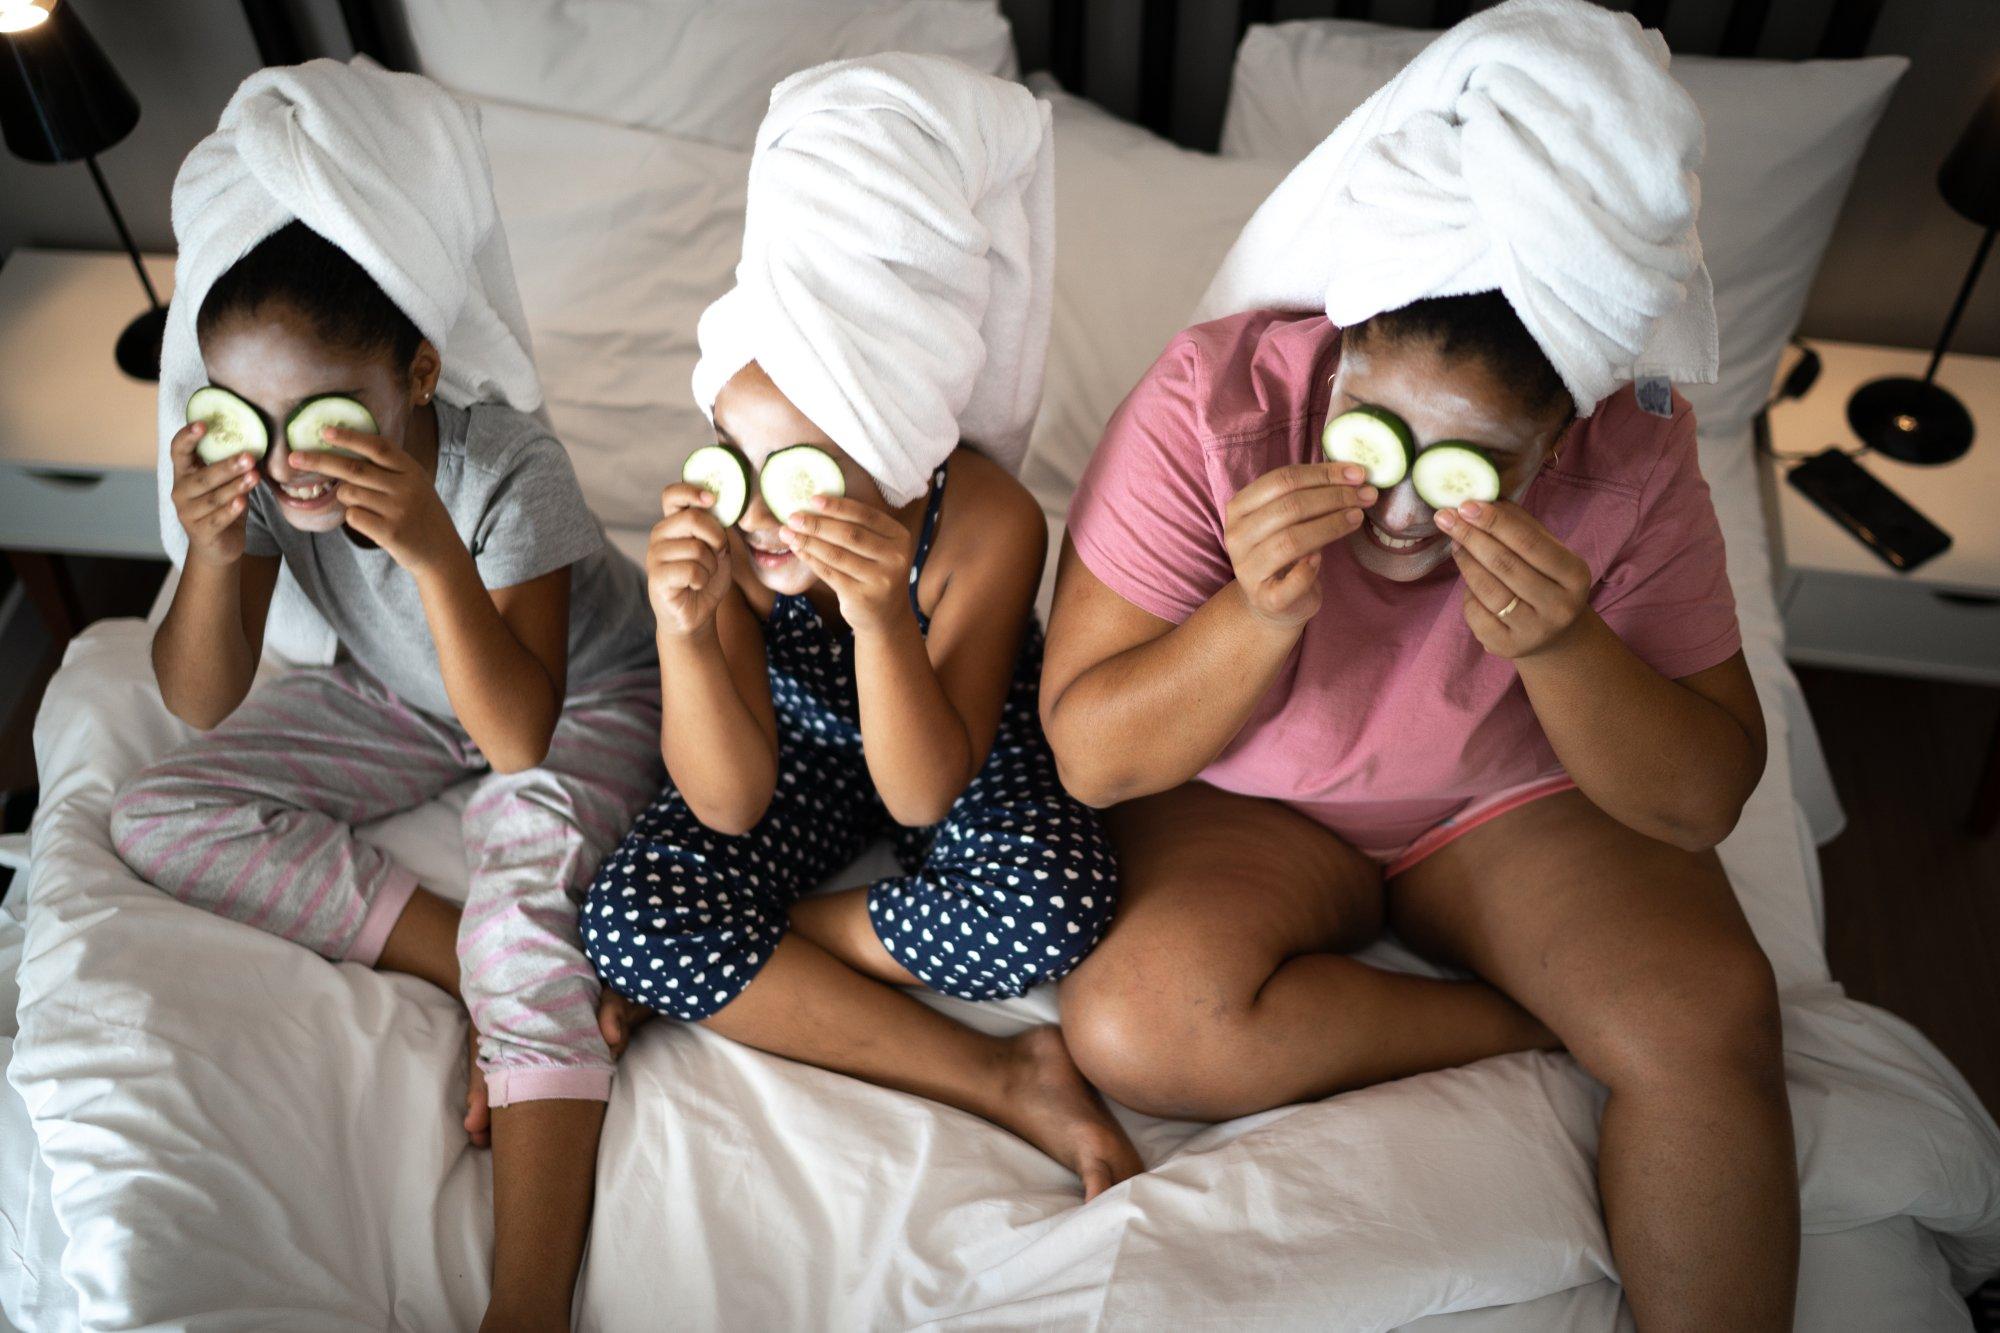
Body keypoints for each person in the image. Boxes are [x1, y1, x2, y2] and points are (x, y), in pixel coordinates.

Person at [1039, 3, 1795, 1328]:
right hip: (1246, 804)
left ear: (1557, 441)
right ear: (1343, 339)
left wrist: (1562, 646)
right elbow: (1090, 754)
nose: (1397, 513)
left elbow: (1700, 796)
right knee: (1140, 1026)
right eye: (1374, 431)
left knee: (1708, 1019)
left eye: (1473, 468)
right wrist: (1254, 617)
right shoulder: (1213, 404)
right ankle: (1535, 1022)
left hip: (1502, 807)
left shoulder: (1634, 453)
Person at [111, 61, 657, 1332]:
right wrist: (213, 548)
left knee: (526, 923)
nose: (287, 456)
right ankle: (461, 960)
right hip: (403, 699)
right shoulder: (260, 484)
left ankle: (524, 1306)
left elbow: (519, 730)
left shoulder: (504, 466)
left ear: (416, 372)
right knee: (158, 812)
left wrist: (427, 546)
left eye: (324, 415)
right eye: (246, 416)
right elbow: (200, 699)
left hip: (577, 694)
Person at [581, 54, 1138, 1200]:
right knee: (629, 921)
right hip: (789, 746)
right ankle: (999, 1075)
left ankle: (774, 940)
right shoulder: (730, 526)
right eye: (734, 449)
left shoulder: (982, 521)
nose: (756, 503)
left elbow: (923, 795)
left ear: (899, 451)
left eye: (804, 468)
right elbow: (728, 799)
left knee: (1057, 897)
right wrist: (686, 631)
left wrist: (884, 620)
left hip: (937, 727)